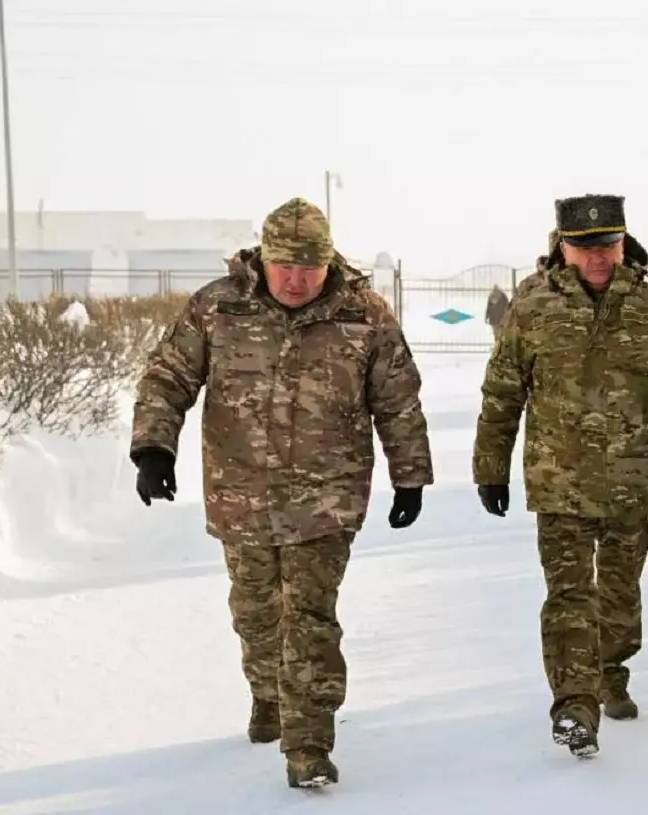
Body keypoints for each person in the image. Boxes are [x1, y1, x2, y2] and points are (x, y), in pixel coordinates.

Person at [128, 197, 434, 788]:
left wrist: (410, 475)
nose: (296, 280)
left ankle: (309, 744)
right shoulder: (217, 307)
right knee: (257, 615)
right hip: (239, 494)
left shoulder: (364, 315)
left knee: (310, 618)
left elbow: (398, 400)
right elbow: (168, 377)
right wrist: (152, 448)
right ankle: (269, 695)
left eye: (309, 267)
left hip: (327, 501)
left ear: (329, 262)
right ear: (262, 260)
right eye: (284, 266)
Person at [472, 193, 648, 757]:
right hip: (560, 480)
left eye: (607, 245)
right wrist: (491, 466)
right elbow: (503, 393)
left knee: (620, 595)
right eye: (584, 248)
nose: (598, 258)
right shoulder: (533, 310)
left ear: (623, 243)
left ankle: (612, 670)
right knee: (568, 595)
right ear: (563, 247)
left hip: (636, 476)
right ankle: (574, 705)